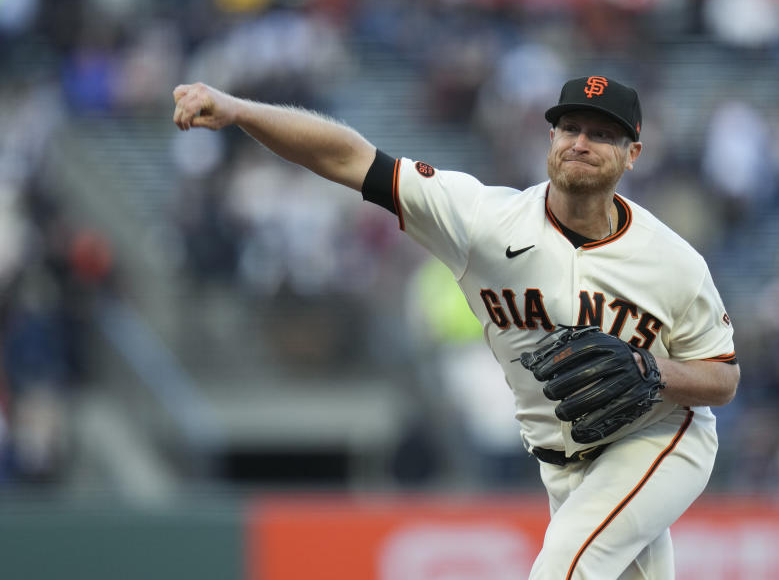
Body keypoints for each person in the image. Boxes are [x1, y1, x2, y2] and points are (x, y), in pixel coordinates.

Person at [172, 74, 740, 579]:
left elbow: (722, 377)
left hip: (660, 439)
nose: (581, 143)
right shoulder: (483, 220)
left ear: (633, 152)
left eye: (602, 133)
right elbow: (350, 159)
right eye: (570, 128)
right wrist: (240, 110)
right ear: (550, 139)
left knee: (564, 566)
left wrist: (651, 370)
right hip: (562, 463)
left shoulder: (673, 260)